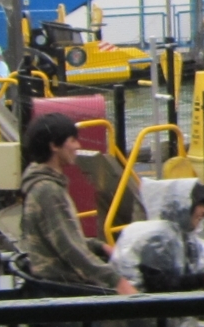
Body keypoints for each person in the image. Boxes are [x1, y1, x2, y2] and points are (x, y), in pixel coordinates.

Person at [19, 114, 134, 295]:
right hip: (64, 288)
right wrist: (117, 281)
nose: (78, 146)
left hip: (56, 283)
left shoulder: (43, 185)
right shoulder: (48, 191)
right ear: (54, 146)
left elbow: (62, 237)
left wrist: (99, 246)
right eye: (72, 140)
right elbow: (70, 248)